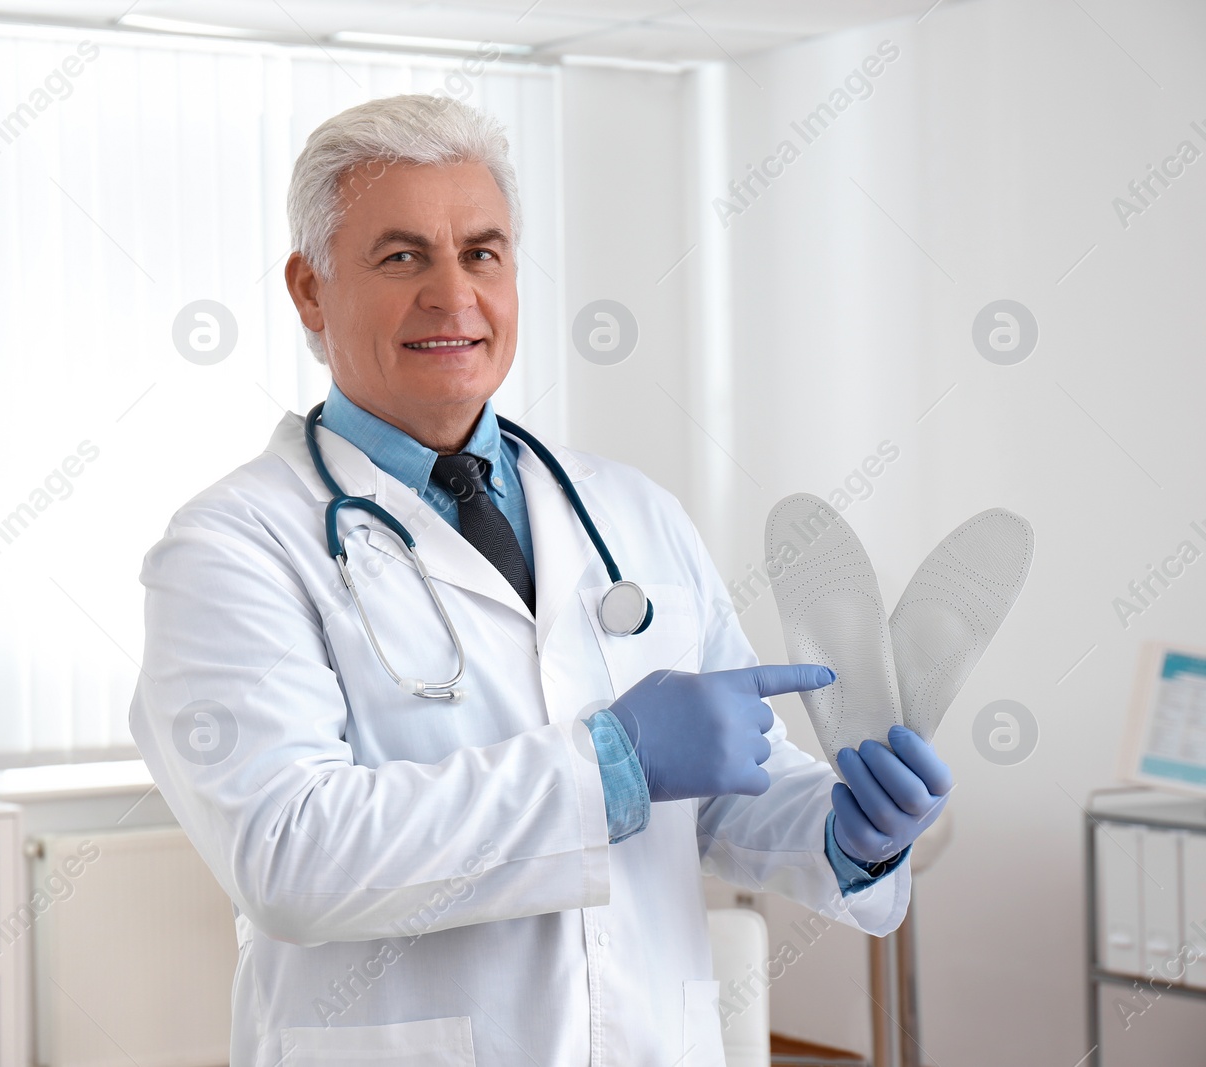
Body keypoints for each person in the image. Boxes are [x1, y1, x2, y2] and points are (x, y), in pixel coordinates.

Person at [129, 93, 952, 1067]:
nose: (452, 294)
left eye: (481, 252)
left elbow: (730, 794)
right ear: (309, 291)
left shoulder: (633, 512)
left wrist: (846, 830)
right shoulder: (232, 546)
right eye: (402, 256)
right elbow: (290, 856)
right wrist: (609, 766)